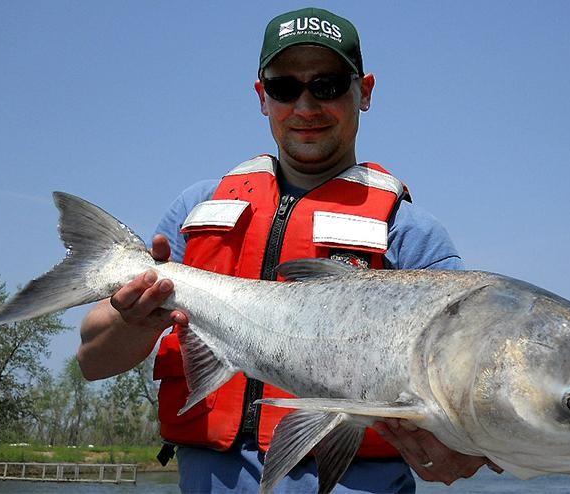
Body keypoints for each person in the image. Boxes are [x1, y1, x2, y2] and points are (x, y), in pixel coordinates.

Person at [78, 7, 500, 493]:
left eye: (327, 85)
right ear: (262, 96)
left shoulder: (411, 234)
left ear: (364, 91)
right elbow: (93, 361)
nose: (305, 107)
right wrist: (133, 320)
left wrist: (463, 448)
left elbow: (468, 397)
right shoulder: (196, 210)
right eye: (284, 87)